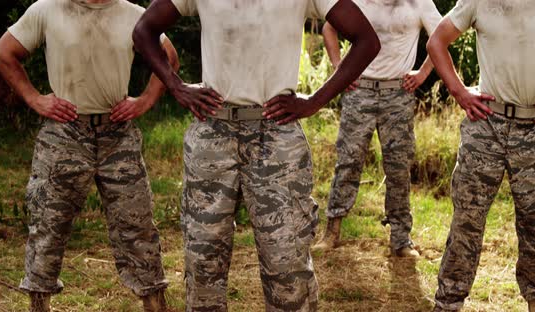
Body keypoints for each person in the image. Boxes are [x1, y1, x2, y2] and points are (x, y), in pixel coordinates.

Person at [132, 0, 380, 310]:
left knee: (286, 262)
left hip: (276, 135)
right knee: (203, 260)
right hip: (213, 133)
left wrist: (315, 101)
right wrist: (176, 86)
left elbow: (366, 40)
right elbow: (143, 30)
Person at [0, 0, 179, 311]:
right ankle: (39, 306)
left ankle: (155, 305)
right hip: (64, 133)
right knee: (47, 226)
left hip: (117, 135)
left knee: (138, 227)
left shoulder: (134, 14)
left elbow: (169, 57)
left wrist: (145, 100)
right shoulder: (47, 10)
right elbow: (4, 53)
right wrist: (34, 98)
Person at [426, 0, 535, 311]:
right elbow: (436, 42)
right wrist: (459, 91)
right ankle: (447, 303)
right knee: (466, 222)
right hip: (486, 127)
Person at [314, 0, 442, 258]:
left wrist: (423, 73)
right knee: (348, 160)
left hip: (398, 93)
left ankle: (401, 239)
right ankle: (332, 232)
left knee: (398, 166)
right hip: (359, 90)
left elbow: (441, 36)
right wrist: (339, 66)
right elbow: (329, 27)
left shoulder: (419, 3)